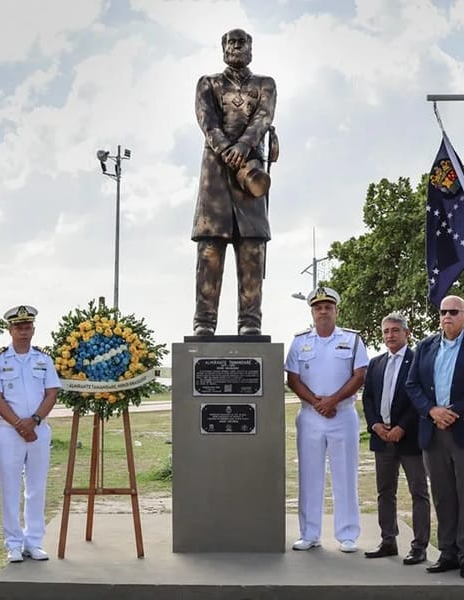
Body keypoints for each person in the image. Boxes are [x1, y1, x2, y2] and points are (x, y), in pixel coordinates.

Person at [406, 295, 464, 579]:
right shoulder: (425, 346)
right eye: (443, 312)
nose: (447, 316)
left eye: (453, 312)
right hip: (434, 431)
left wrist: (455, 412)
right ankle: (447, 552)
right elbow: (412, 384)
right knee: (443, 496)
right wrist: (432, 410)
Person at [192, 27, 277, 336]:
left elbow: (263, 117)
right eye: (232, 42)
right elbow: (207, 121)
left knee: (252, 249)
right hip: (215, 176)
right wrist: (227, 149)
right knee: (210, 251)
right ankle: (204, 322)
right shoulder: (209, 83)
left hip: (250, 175)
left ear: (251, 48)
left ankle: (250, 322)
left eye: (242, 42)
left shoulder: (265, 84)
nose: (237, 46)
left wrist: (242, 147)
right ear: (223, 47)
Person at [284, 287, 368, 553]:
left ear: (336, 311)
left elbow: (360, 375)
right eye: (318, 308)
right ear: (312, 312)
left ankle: (347, 534)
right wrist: (317, 403)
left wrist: (332, 401)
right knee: (309, 476)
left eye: (328, 307)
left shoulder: (352, 339)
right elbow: (293, 379)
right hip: (310, 416)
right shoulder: (299, 342)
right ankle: (309, 534)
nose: (323, 311)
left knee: (345, 475)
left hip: (342, 414)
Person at [0, 305, 60, 563]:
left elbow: (52, 393)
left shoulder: (44, 359)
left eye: (27, 326)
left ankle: (34, 541)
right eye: (18, 327)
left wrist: (34, 420)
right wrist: (19, 425)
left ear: (33, 329)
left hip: (39, 430)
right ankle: (14, 543)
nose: (23, 331)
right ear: (10, 329)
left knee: (37, 487)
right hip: (9, 432)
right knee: (10, 488)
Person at [362, 313, 430, 565]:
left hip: (410, 439)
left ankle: (419, 546)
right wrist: (375, 425)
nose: (390, 335)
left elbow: (419, 398)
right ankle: (388, 540)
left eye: (395, 330)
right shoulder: (376, 363)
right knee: (385, 492)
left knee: (418, 493)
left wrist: (402, 427)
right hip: (383, 439)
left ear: (406, 333)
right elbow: (368, 397)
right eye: (386, 331)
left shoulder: (417, 361)